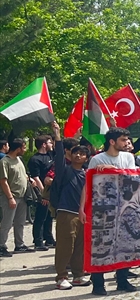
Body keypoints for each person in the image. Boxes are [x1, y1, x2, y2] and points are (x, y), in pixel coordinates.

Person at [87, 128, 138, 294]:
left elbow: (131, 177)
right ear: (112, 142)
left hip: (123, 206)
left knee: (124, 244)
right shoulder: (97, 160)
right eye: (123, 140)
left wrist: (111, 169)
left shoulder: (128, 157)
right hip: (101, 208)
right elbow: (88, 185)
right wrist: (83, 208)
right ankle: (98, 284)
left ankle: (122, 280)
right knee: (100, 245)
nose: (126, 143)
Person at [48, 120, 91, 290]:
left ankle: (78, 274)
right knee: (66, 245)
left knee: (80, 246)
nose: (78, 156)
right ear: (70, 155)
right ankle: (61, 276)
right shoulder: (65, 171)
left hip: (83, 214)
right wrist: (58, 135)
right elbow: (59, 156)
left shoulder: (87, 174)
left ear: (87, 158)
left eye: (82, 154)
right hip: (67, 212)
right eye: (75, 153)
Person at [1, 137, 31, 257]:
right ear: (18, 148)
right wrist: (10, 197)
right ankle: (1, 245)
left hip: (22, 196)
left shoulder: (19, 159)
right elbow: (3, 181)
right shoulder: (5, 161)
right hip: (11, 197)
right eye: (23, 147)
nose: (24, 149)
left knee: (20, 222)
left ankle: (19, 244)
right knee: (7, 223)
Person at [28, 134, 55, 252]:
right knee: (40, 217)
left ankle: (48, 238)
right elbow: (36, 177)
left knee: (50, 216)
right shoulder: (35, 159)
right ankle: (38, 241)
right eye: (49, 142)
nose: (51, 144)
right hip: (42, 191)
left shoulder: (51, 155)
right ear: (44, 144)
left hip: (52, 192)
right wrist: (44, 193)